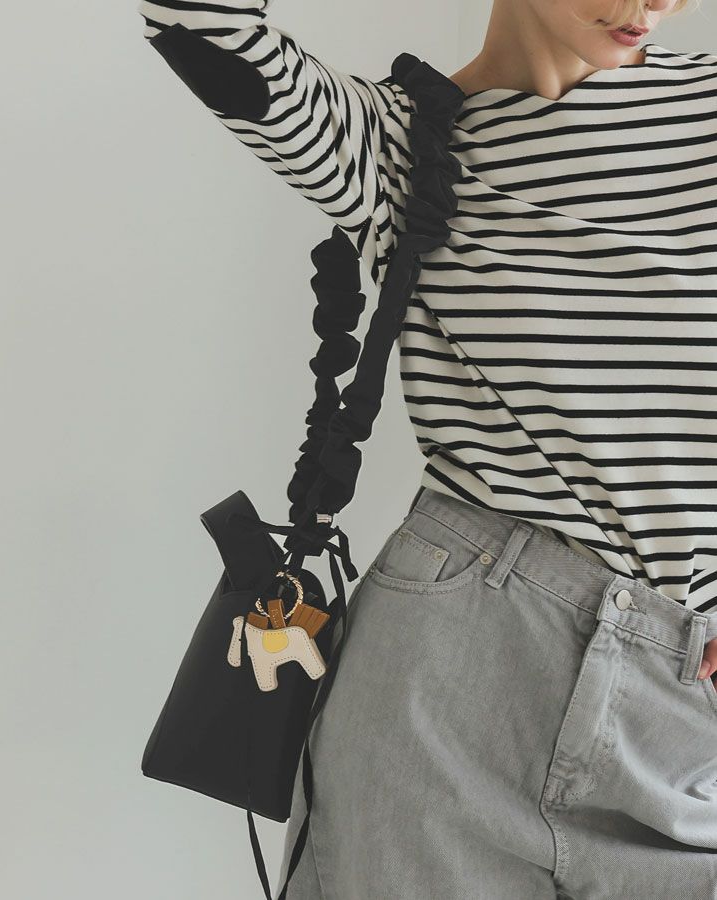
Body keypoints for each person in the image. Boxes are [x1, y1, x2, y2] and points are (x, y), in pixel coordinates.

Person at [137, 1, 717, 896]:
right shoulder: (388, 145)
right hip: (449, 684)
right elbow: (195, 21)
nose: (655, 3)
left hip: (681, 713)